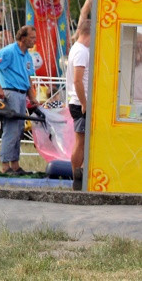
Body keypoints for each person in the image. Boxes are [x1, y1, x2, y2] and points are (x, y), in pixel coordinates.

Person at [0, 25, 38, 175]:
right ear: (23, 38)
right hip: (11, 92)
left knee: (19, 129)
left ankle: (15, 164)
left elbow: (27, 78)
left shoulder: (28, 56)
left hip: (22, 94)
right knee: (11, 129)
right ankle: (5, 165)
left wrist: (32, 98)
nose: (34, 41)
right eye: (32, 38)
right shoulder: (9, 51)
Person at [66, 20, 92, 191]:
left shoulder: (78, 49)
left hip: (78, 100)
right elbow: (77, 80)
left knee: (82, 140)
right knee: (81, 140)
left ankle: (78, 174)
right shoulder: (82, 51)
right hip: (79, 102)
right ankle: (76, 175)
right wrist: (84, 103)